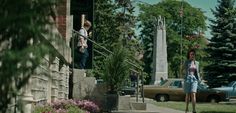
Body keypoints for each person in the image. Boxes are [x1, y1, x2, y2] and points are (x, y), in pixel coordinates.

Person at [183, 49, 201, 113]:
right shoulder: (186, 62)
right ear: (189, 55)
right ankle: (186, 108)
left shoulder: (197, 63)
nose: (192, 55)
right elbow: (182, 70)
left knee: (193, 94)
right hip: (187, 79)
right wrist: (184, 76)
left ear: (195, 55)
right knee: (187, 95)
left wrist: (199, 78)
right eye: (191, 54)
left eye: (193, 54)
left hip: (194, 79)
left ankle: (194, 110)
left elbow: (198, 72)